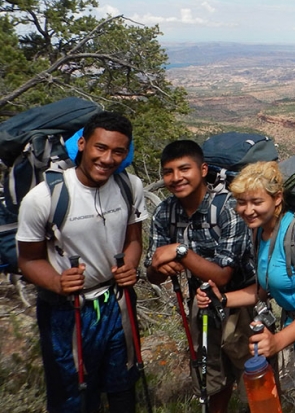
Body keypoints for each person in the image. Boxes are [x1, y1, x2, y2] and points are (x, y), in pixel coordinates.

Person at [16, 111, 148, 413]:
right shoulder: (44, 198)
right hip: (66, 311)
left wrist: (130, 265)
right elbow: (28, 259)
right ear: (83, 144)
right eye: (100, 148)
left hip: (115, 303)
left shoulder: (130, 186)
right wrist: (57, 283)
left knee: (123, 385)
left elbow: (133, 239)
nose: (107, 159)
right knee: (72, 394)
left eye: (118, 151)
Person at [197, 160, 295, 413]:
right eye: (241, 202)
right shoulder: (261, 233)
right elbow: (262, 291)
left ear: (277, 198)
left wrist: (278, 341)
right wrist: (222, 299)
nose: (247, 210)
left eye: (256, 202)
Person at [145, 140, 256, 413]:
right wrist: (161, 267)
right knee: (211, 378)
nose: (176, 178)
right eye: (168, 172)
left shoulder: (229, 208)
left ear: (203, 169)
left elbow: (222, 275)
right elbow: (152, 271)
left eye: (185, 169)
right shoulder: (165, 212)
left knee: (252, 379)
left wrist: (180, 253)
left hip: (242, 302)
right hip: (202, 303)